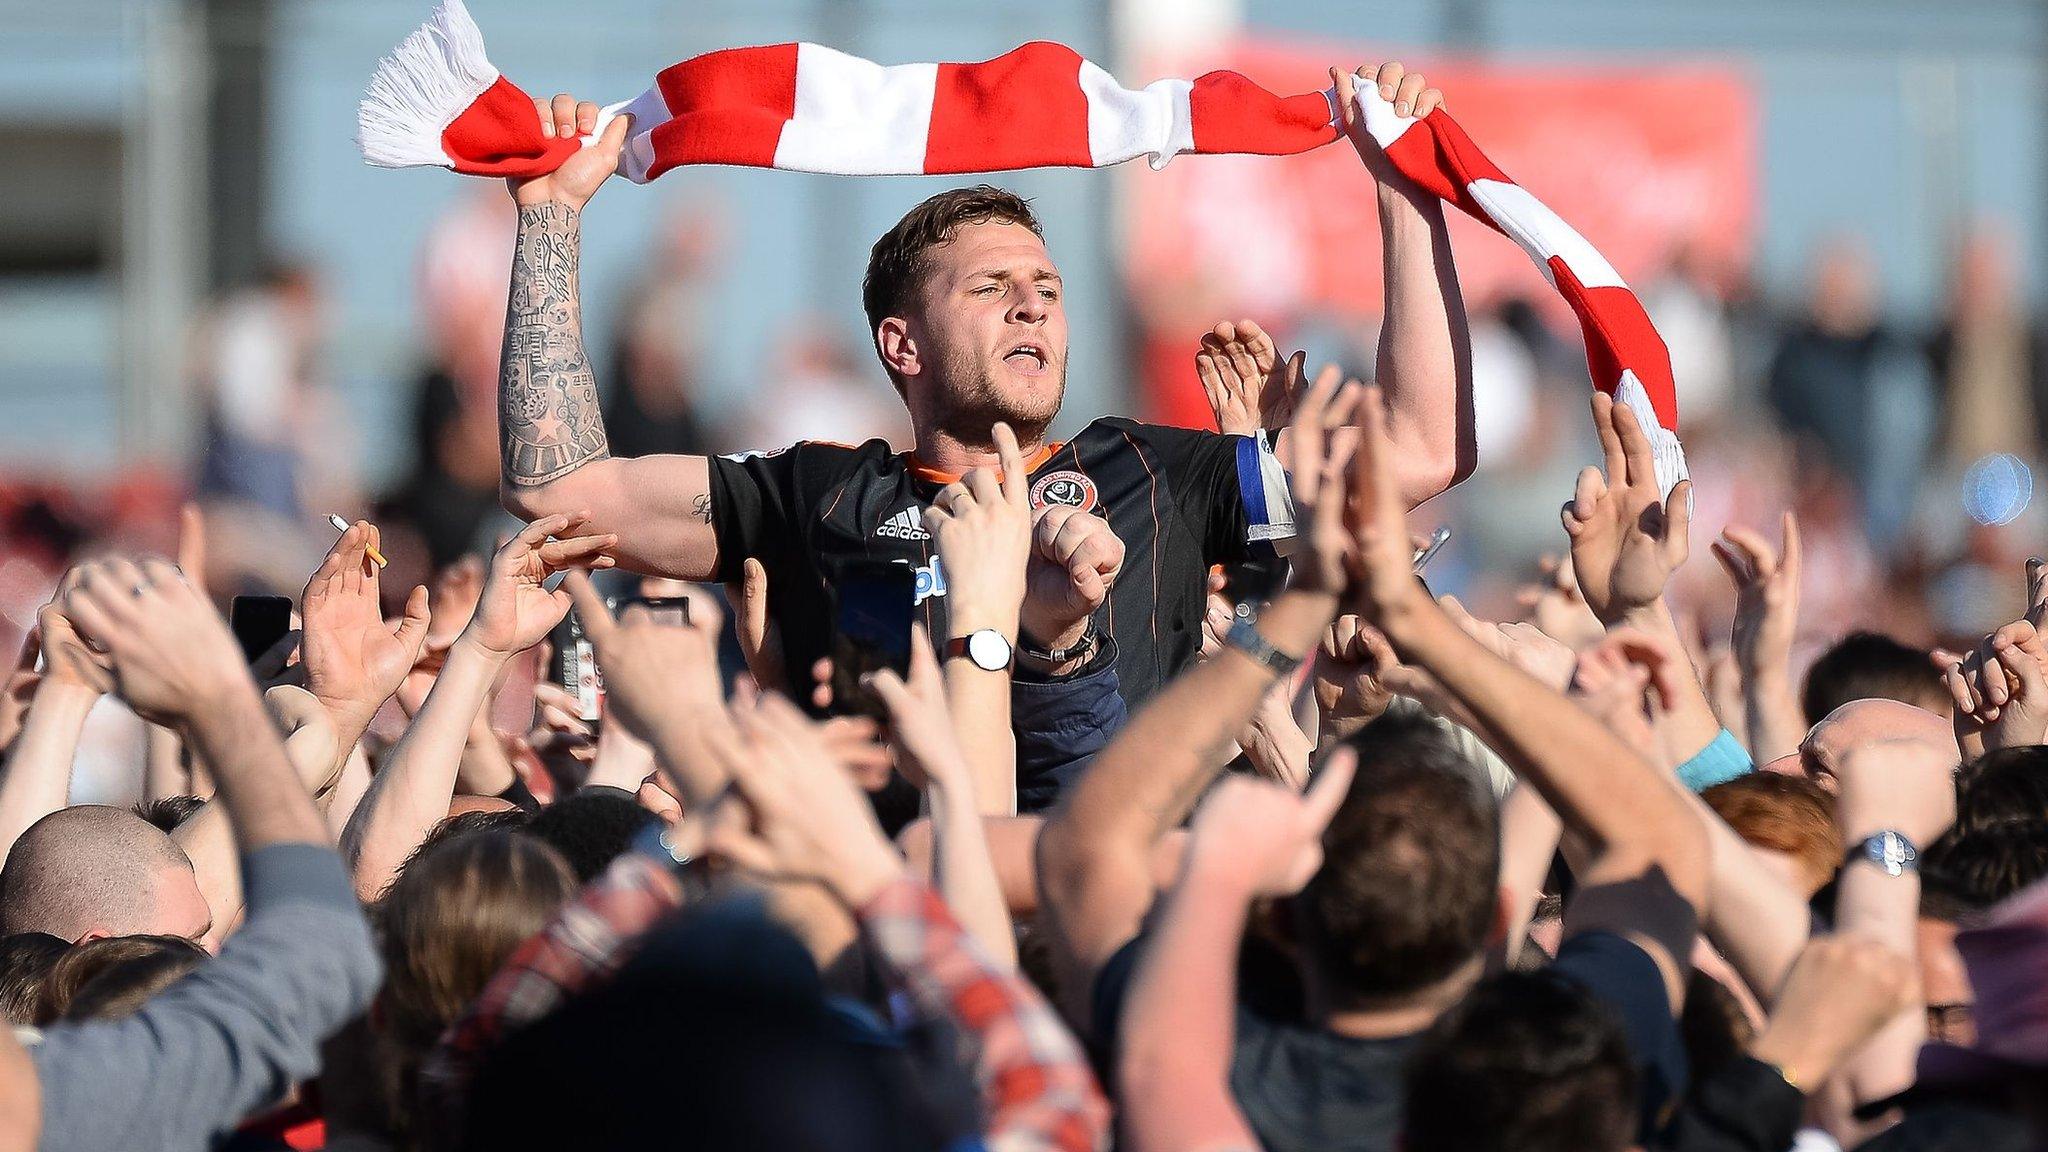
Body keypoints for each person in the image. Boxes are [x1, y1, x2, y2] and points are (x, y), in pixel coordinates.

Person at [490, 62, 1474, 721]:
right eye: (990, 291)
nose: (1031, 310)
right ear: (900, 343)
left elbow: (1421, 452)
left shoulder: (1151, 473)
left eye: (1046, 290)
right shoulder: (810, 496)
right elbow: (560, 496)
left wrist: (1400, 191)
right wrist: (550, 219)